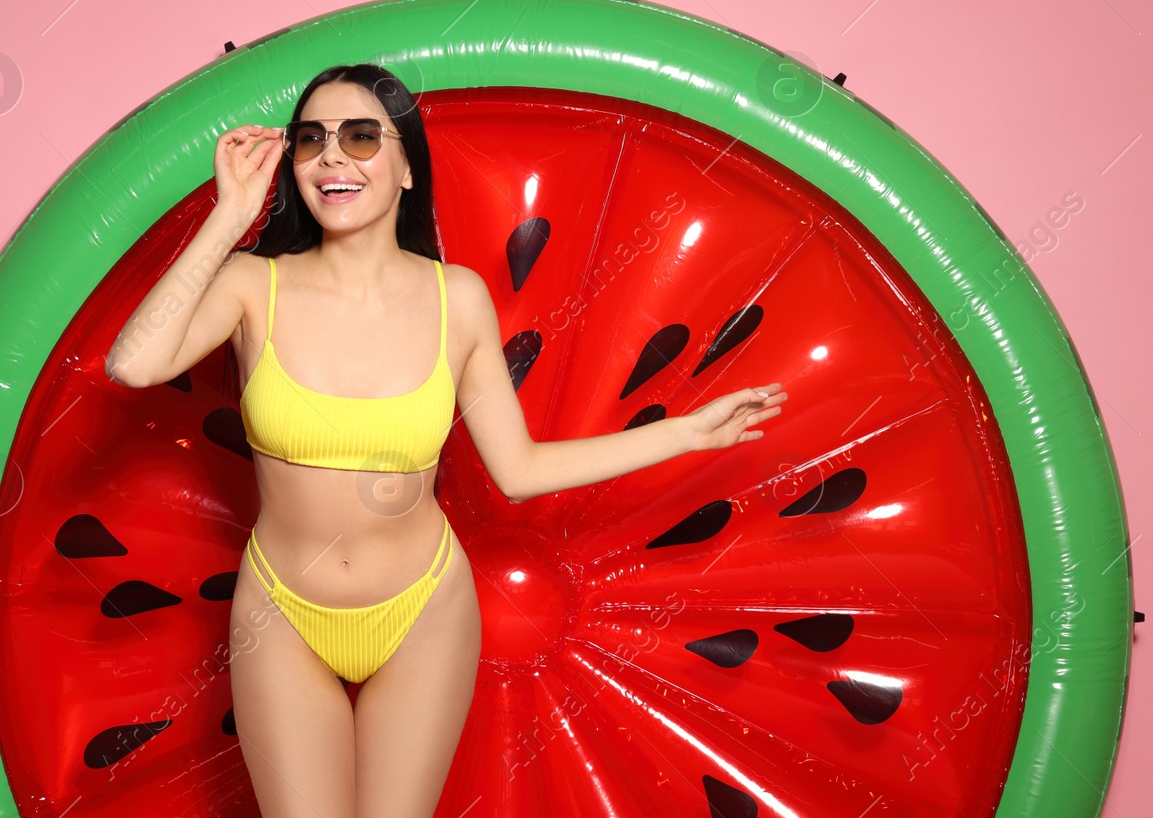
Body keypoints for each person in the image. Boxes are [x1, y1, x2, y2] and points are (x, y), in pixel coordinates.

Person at [105, 62, 788, 817]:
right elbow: (135, 362)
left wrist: (687, 433)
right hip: (282, 609)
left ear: (404, 166)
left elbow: (519, 468)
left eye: (362, 136)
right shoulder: (250, 285)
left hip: (422, 607)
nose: (333, 157)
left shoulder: (456, 297)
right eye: (311, 140)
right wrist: (229, 214)